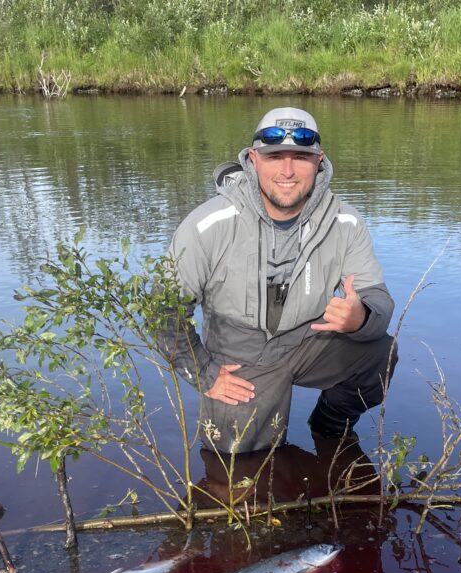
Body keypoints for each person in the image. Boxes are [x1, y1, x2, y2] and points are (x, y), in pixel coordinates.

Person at [164, 106, 396, 454]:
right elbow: (162, 313)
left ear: (319, 161)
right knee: (235, 470)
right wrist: (204, 373)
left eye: (300, 157)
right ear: (253, 159)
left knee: (381, 353)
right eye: (275, 157)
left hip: (309, 337)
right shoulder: (206, 225)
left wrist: (360, 316)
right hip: (240, 353)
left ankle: (329, 427)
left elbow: (377, 297)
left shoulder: (345, 221)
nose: (287, 171)